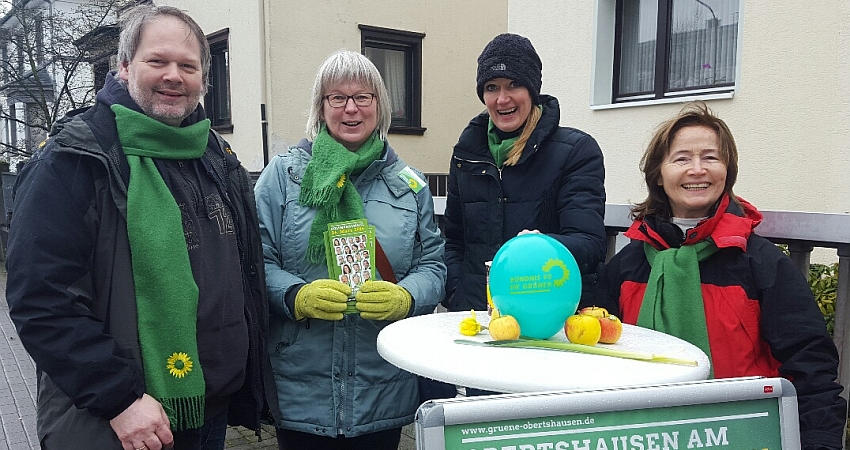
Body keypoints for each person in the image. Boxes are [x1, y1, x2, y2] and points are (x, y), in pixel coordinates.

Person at [4, 4, 274, 450]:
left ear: (203, 79)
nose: (174, 75)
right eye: (158, 61)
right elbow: (41, 299)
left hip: (210, 408)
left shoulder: (213, 155)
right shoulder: (73, 161)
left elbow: (242, 274)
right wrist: (119, 400)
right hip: (119, 422)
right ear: (125, 66)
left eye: (188, 66)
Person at [596, 102, 847, 450]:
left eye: (710, 158)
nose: (697, 170)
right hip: (644, 436)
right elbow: (593, 356)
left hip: (746, 437)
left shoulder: (760, 263)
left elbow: (812, 369)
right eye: (681, 158)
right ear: (658, 173)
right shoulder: (628, 265)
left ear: (727, 171)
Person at [254, 50, 446, 450]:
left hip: (383, 386)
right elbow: (256, 261)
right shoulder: (283, 177)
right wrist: (294, 295)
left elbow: (433, 265)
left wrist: (407, 297)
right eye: (337, 98)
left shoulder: (410, 185)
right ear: (320, 107)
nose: (351, 109)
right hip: (301, 386)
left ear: (380, 105)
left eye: (363, 97)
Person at [442, 32, 606, 314]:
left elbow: (589, 245)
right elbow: (455, 241)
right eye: (492, 87)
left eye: (514, 85)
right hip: (476, 315)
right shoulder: (465, 155)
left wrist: (539, 246)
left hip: (546, 316)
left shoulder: (576, 151)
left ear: (532, 89)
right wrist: (458, 293)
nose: (502, 99)